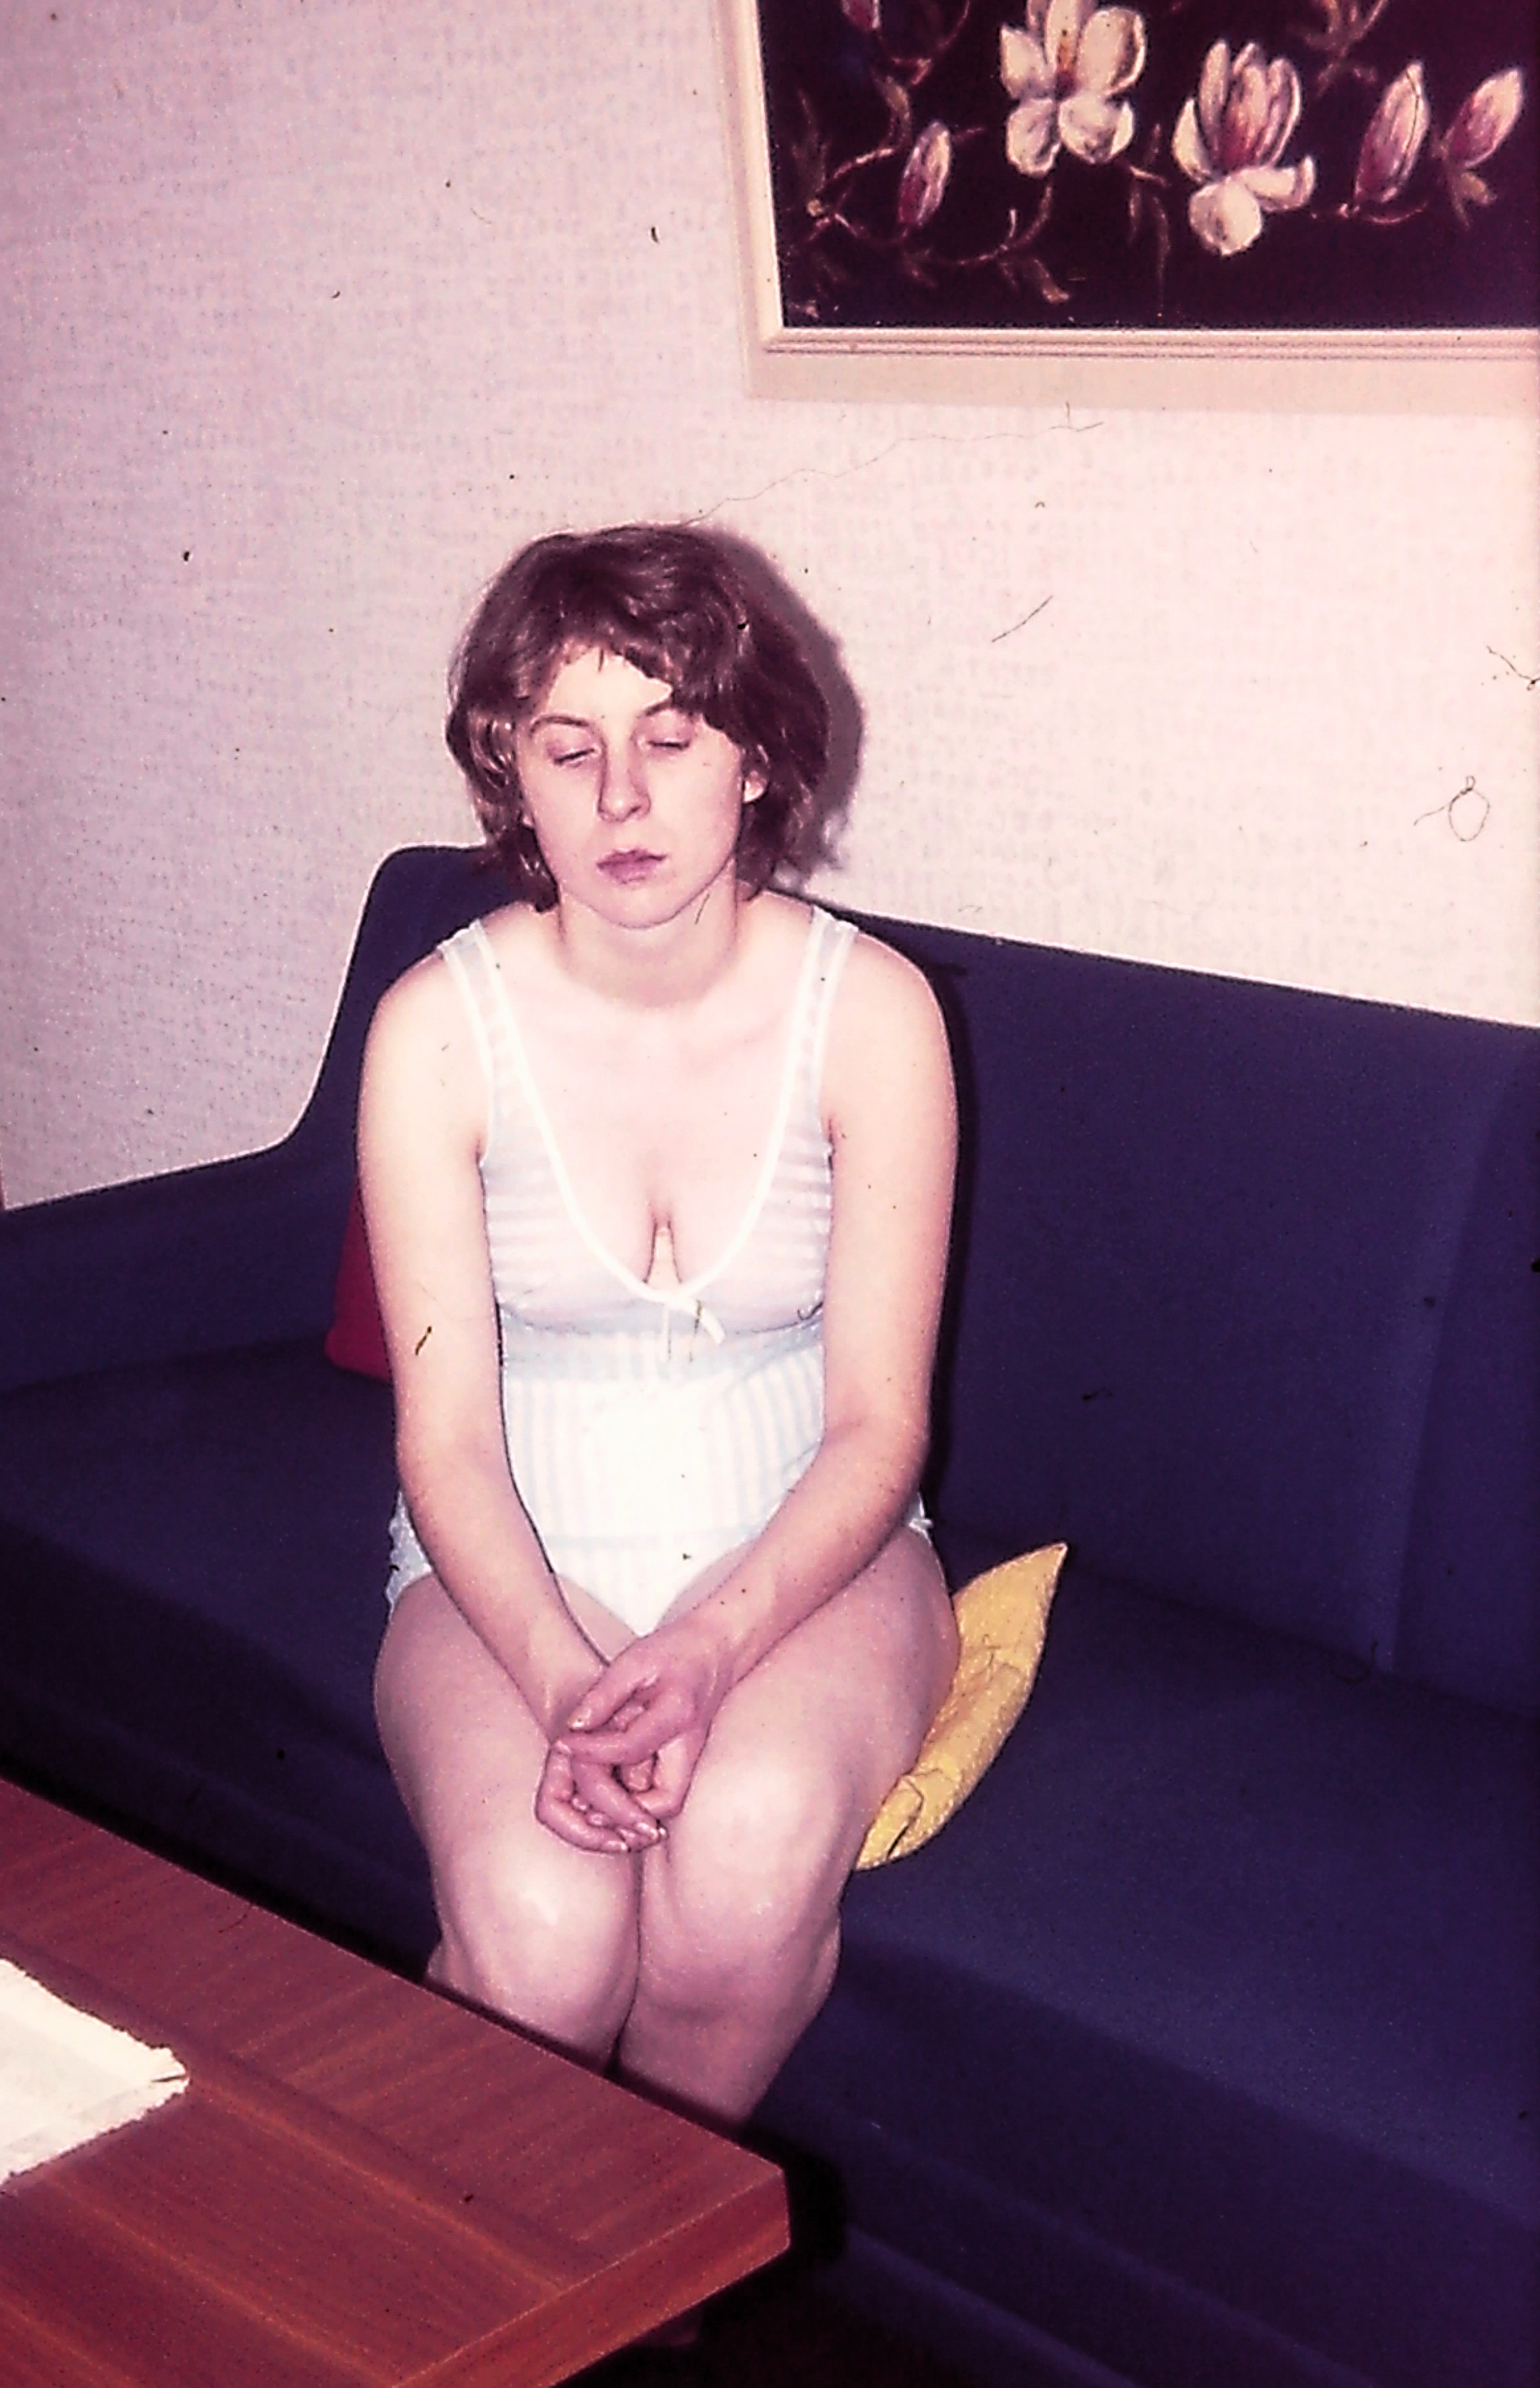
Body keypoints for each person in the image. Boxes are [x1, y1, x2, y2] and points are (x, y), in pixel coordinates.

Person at [361, 523, 959, 2146]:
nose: (621, 798)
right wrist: (569, 1681)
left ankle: (638, 2269)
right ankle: (471, 2258)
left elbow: (881, 1426)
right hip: (513, 1567)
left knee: (743, 1864)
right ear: (511, 771)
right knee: (542, 1934)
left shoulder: (874, 1013)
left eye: (671, 737)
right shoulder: (435, 1031)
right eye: (570, 749)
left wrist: (701, 1654)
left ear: (754, 757)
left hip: (812, 1555)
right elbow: (444, 1445)